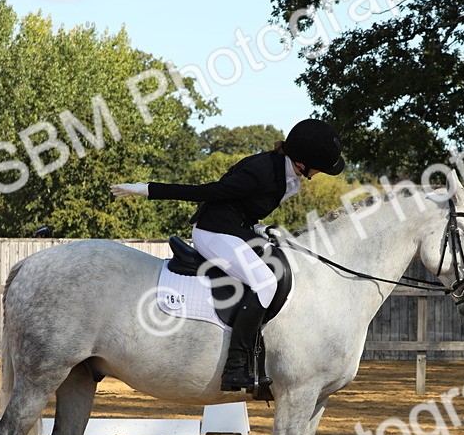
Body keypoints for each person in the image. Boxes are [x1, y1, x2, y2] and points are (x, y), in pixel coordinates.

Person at [111, 118, 345, 390]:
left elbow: (244, 207)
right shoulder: (262, 171)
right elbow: (209, 191)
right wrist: (148, 189)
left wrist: (258, 227)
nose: (321, 173)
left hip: (234, 228)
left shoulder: (288, 177)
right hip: (212, 231)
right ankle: (235, 367)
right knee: (266, 283)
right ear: (303, 162)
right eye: (320, 168)